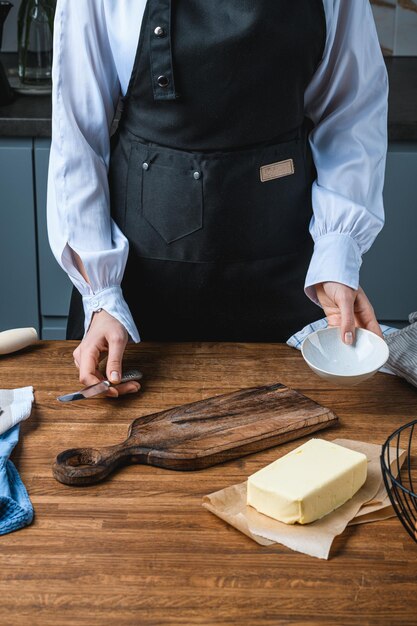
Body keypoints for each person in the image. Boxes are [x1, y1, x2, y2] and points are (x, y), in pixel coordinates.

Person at [47, 0, 388, 397]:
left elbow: (351, 115)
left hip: (291, 283)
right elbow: (78, 138)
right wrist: (101, 294)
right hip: (136, 300)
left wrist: (337, 255)